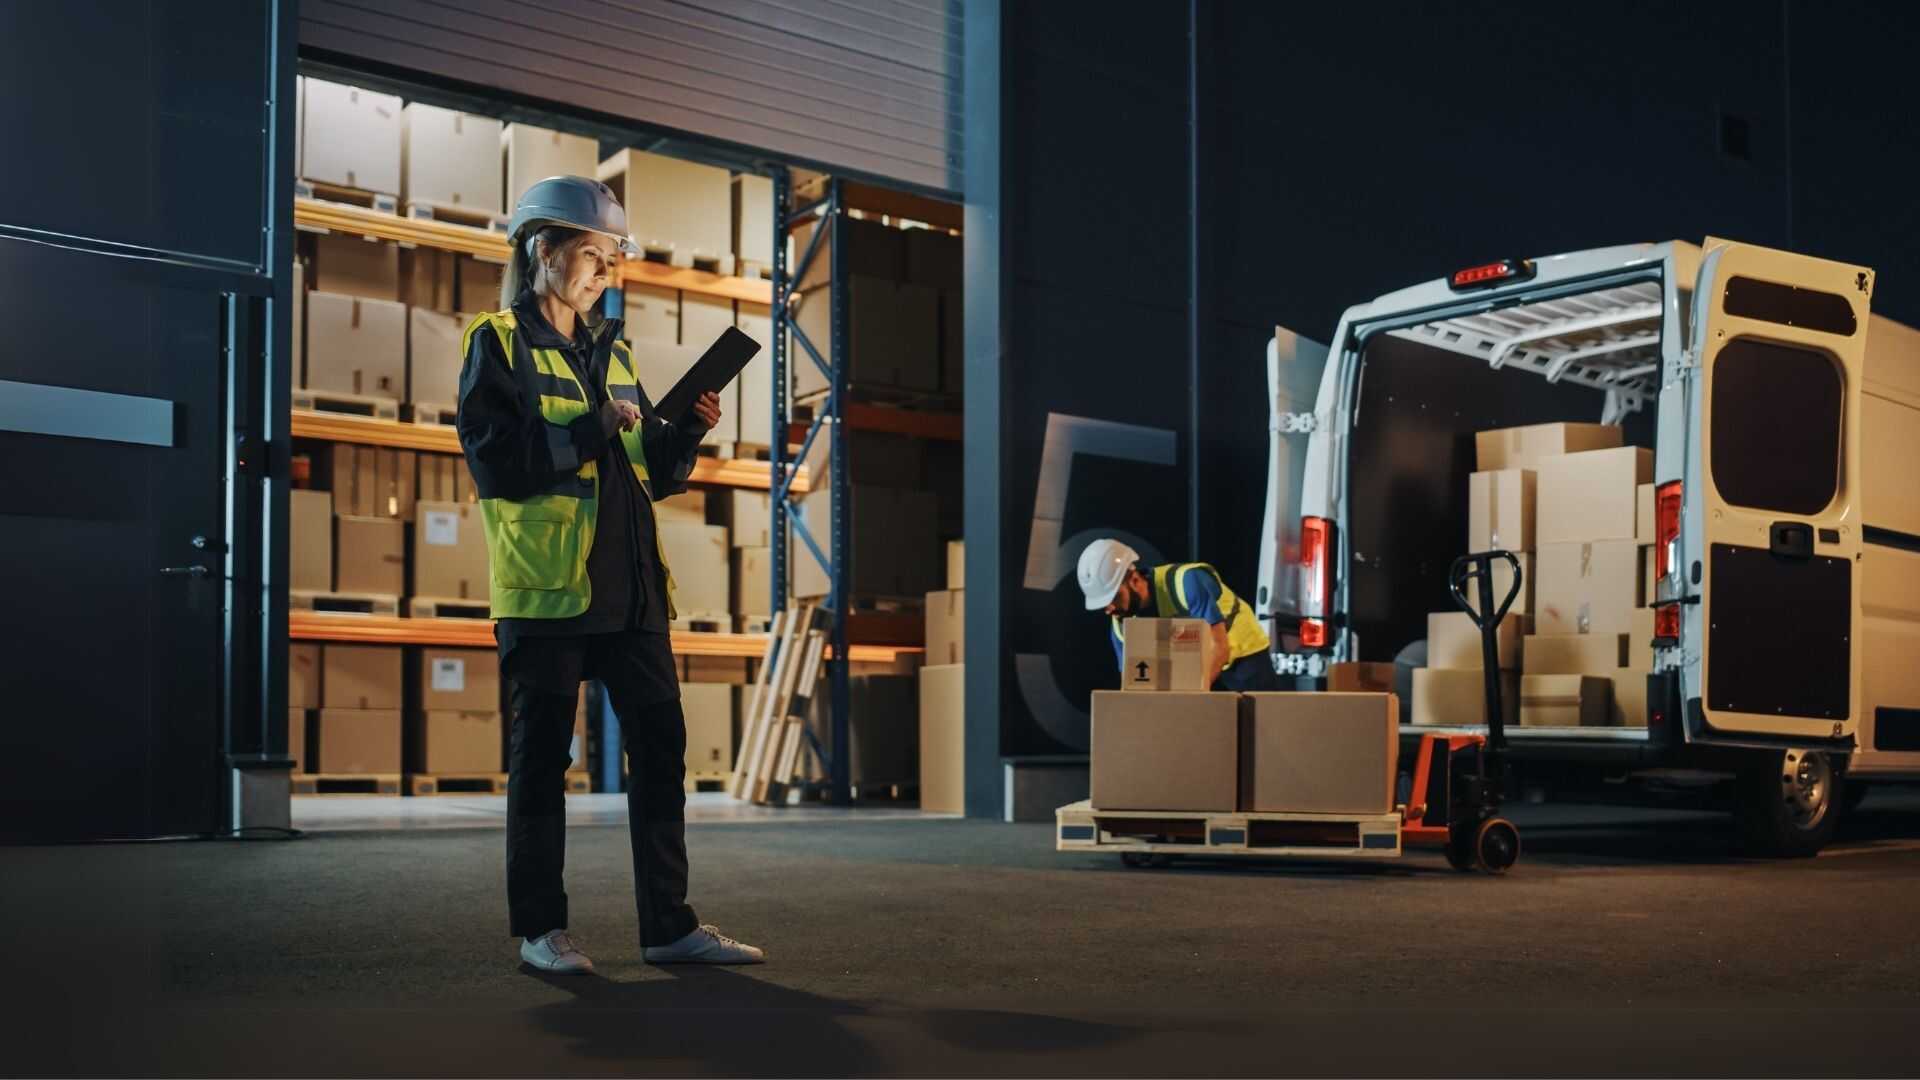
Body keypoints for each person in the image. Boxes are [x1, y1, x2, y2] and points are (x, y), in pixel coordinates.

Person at [457, 175, 763, 974]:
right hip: (550, 594)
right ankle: (540, 932)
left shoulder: (613, 348)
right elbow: (502, 466)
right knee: (542, 767)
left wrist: (682, 435)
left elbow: (644, 474)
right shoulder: (497, 341)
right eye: (592, 254)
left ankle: (668, 926)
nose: (604, 272)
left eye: (611, 257)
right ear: (541, 252)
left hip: (630, 593)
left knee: (662, 749)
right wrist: (597, 426)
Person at [1076, 538, 1279, 692]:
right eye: (1102, 604)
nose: (1109, 608)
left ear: (1135, 580)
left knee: (1260, 728)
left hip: (1242, 655)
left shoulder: (1187, 582)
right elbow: (1130, 685)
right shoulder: (1120, 626)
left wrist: (1190, 699)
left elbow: (1220, 647)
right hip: (1195, 666)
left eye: (1113, 597)